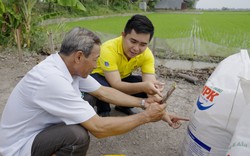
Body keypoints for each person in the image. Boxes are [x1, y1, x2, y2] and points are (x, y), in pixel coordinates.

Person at [0, 27, 187, 156]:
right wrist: (145, 117)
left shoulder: (67, 67)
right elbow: (99, 128)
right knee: (77, 137)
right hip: (17, 148)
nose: (97, 65)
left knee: (88, 100)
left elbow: (104, 92)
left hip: (38, 131)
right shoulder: (52, 79)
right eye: (95, 60)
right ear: (79, 56)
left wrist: (145, 104)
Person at [91, 14, 164, 117]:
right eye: (133, 41)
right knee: (102, 85)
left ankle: (122, 106)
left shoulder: (147, 54)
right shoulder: (108, 49)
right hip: (101, 76)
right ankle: (103, 111)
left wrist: (156, 96)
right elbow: (115, 84)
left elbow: (149, 82)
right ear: (123, 35)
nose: (136, 48)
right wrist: (144, 87)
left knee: (143, 84)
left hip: (121, 78)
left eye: (143, 44)